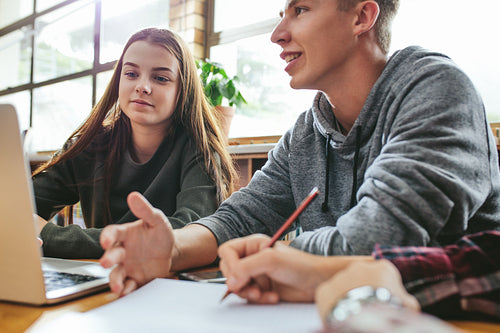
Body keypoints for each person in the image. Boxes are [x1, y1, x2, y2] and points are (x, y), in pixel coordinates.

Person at [99, 0, 500, 295]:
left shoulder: (436, 90)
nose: (277, 35)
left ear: (362, 16)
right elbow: (240, 218)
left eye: (301, 10)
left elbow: (379, 241)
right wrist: (172, 248)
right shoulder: (308, 129)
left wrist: (274, 257)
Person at [32, 28, 236, 259]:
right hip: (98, 276)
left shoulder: (202, 151)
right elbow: (18, 206)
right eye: (131, 74)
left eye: (160, 78)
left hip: (167, 282)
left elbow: (188, 235)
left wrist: (49, 237)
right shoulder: (89, 145)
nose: (142, 86)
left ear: (183, 90)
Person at [217, 231, 500, 324]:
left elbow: (377, 230)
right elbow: (469, 265)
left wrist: (369, 306)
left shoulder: (434, 101)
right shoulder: (306, 129)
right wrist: (318, 273)